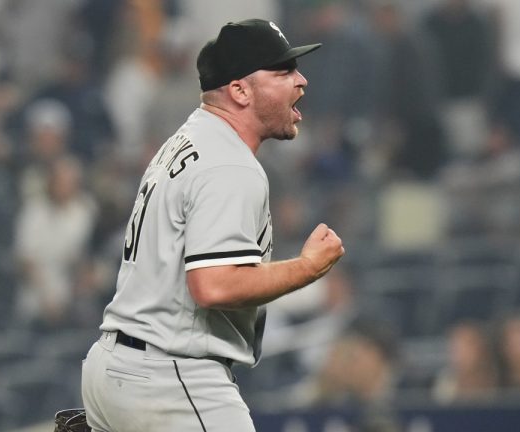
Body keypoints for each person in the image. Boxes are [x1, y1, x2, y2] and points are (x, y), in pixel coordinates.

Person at [81, 18, 344, 431]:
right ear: (240, 90)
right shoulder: (228, 162)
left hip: (114, 366)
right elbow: (214, 285)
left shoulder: (187, 140)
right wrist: (308, 267)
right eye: (283, 72)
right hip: (170, 376)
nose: (301, 80)